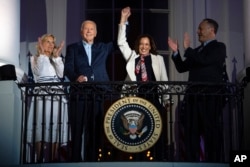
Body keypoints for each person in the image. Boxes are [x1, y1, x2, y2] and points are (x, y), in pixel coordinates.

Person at [168, 18, 228, 162]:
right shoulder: (196, 51)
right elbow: (182, 68)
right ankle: (191, 163)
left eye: (200, 29)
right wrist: (176, 53)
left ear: (211, 30)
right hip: (193, 99)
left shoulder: (219, 47)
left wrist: (188, 49)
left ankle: (214, 163)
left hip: (210, 98)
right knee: (191, 134)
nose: (197, 32)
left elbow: (205, 61)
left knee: (211, 132)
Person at [118, 7, 169, 160]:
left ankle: (159, 158)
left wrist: (166, 99)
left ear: (150, 45)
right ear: (138, 45)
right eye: (141, 44)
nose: (144, 47)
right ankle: (139, 159)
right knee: (139, 131)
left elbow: (164, 80)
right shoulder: (132, 57)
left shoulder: (158, 59)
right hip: (136, 97)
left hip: (154, 96)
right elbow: (121, 42)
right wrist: (123, 20)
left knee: (157, 130)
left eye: (147, 44)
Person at [64, 20, 114, 162]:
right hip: (79, 94)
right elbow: (68, 68)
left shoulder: (103, 48)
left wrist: (123, 22)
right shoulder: (73, 48)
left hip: (97, 94)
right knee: (77, 128)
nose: (89, 31)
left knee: (94, 130)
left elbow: (118, 42)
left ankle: (91, 161)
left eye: (91, 29)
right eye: (86, 29)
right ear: (81, 31)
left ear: (96, 33)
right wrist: (75, 77)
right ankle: (75, 161)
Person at [27, 34, 69, 162]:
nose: (51, 45)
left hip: (57, 97)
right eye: (48, 42)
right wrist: (43, 56)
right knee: (41, 124)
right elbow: (38, 72)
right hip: (42, 97)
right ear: (41, 44)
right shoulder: (35, 58)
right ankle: (40, 159)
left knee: (55, 126)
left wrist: (57, 58)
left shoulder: (55, 59)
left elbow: (61, 74)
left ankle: (52, 159)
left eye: (52, 43)